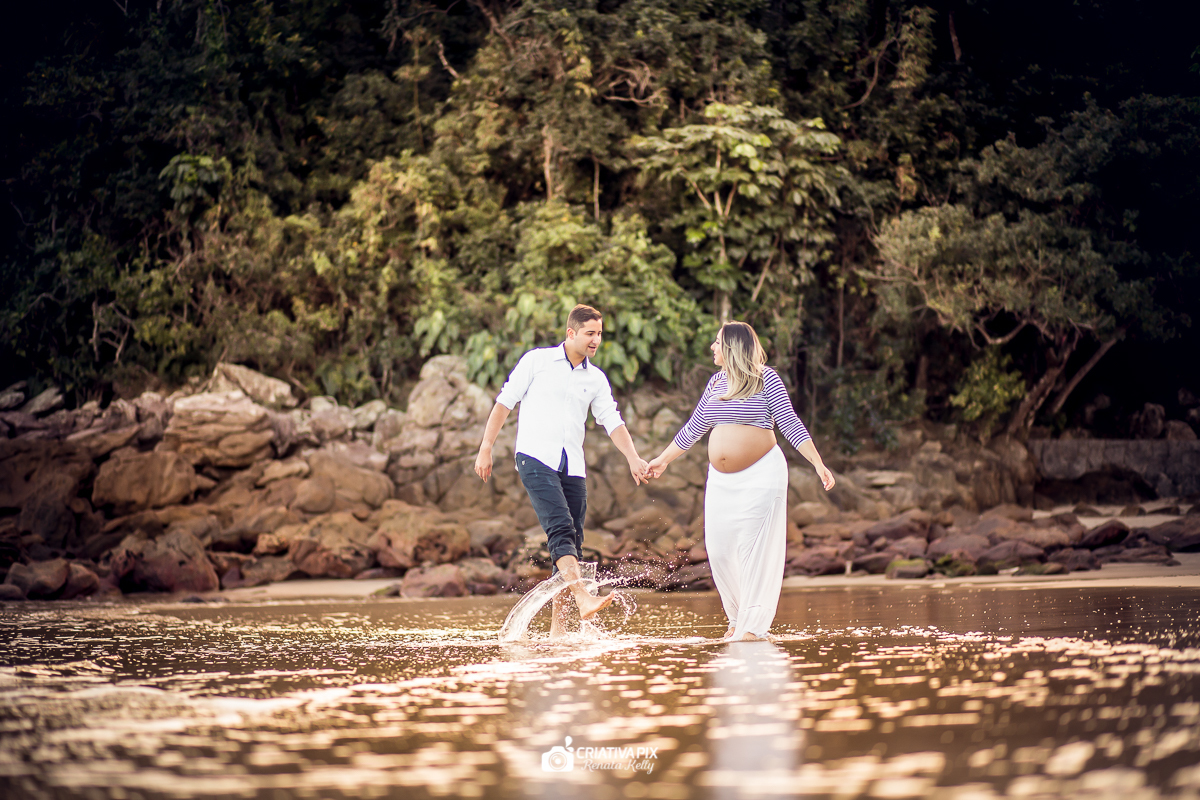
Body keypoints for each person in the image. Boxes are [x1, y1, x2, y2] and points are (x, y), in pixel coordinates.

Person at [646, 321, 835, 641]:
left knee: (753, 549)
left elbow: (789, 424)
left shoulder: (766, 379)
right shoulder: (716, 382)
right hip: (721, 482)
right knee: (719, 550)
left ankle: (753, 625)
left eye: (717, 342)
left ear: (733, 347)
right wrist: (663, 460)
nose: (712, 347)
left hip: (761, 475)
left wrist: (817, 463)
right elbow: (694, 427)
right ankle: (736, 618)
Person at [475, 304, 650, 638]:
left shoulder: (596, 378)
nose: (596, 340)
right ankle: (583, 598)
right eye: (590, 333)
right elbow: (504, 402)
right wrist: (486, 447)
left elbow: (612, 420)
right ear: (571, 333)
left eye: (600, 334)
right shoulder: (537, 361)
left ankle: (558, 631)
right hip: (534, 458)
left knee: (573, 543)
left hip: (573, 465)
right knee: (560, 529)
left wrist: (633, 457)